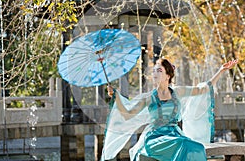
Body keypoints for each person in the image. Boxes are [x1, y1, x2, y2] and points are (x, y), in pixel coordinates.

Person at [101, 58, 238, 161]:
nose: (155, 73)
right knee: (184, 144)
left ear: (168, 75)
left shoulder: (177, 92)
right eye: (154, 70)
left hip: (174, 134)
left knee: (197, 147)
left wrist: (221, 70)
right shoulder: (148, 98)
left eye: (159, 70)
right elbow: (128, 114)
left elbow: (202, 89)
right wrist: (116, 97)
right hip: (154, 138)